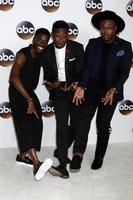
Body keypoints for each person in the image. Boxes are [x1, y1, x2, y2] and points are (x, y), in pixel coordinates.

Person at [71, 10, 132, 171]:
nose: (105, 31)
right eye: (102, 27)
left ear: (116, 28)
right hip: (91, 89)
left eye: (109, 27)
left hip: (109, 92)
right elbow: (86, 68)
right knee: (84, 120)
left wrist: (114, 88)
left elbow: (124, 71)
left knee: (103, 124)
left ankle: (99, 156)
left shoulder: (125, 46)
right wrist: (82, 86)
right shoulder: (93, 43)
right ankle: (78, 155)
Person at [9, 28, 53, 181]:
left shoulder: (41, 54)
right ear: (34, 39)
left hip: (28, 92)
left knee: (37, 121)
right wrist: (29, 100)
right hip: (17, 92)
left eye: (45, 41)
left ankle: (22, 156)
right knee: (25, 124)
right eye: (40, 40)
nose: (42, 43)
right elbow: (13, 78)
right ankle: (36, 164)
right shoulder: (23, 54)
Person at [42, 20, 84, 178]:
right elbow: (47, 76)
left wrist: (74, 84)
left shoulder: (77, 48)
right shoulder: (46, 52)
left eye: (63, 35)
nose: (60, 39)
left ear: (68, 35)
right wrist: (54, 85)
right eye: (57, 35)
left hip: (75, 91)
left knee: (75, 124)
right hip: (59, 92)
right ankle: (62, 164)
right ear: (52, 35)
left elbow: (81, 72)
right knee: (61, 126)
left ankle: (62, 149)